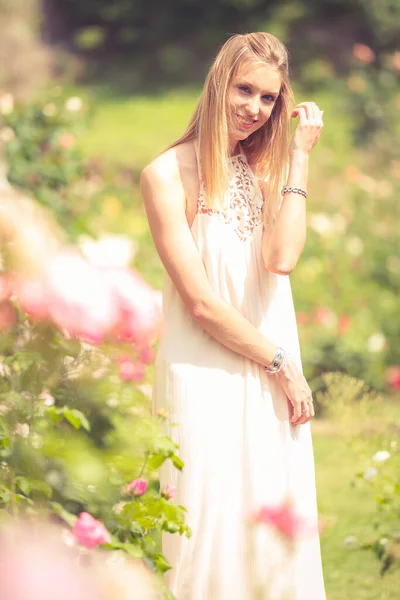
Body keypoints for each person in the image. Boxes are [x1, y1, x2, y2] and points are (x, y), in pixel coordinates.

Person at [141, 32, 326, 600]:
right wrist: (281, 363)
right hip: (206, 374)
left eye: (268, 98)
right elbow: (200, 303)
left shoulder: (266, 169)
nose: (254, 108)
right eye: (244, 89)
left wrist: (297, 155)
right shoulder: (166, 175)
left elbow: (282, 259)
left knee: (269, 534)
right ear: (219, 82)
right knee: (208, 531)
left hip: (270, 375)